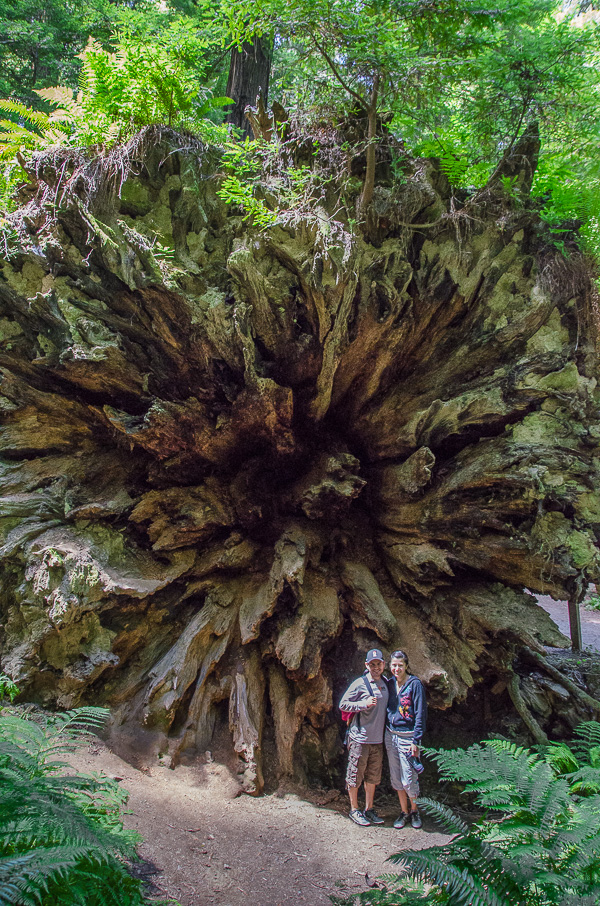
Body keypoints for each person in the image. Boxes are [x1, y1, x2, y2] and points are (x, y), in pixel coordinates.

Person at [339, 648, 389, 826]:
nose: (376, 667)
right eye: (372, 664)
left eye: (379, 664)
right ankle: (354, 809)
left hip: (377, 739)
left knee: (373, 776)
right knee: (355, 774)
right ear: (366, 665)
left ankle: (369, 809)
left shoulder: (386, 683)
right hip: (360, 738)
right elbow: (343, 704)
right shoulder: (360, 683)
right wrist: (363, 704)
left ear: (383, 665)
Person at [385, 649, 427, 829]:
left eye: (400, 665)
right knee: (396, 778)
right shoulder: (389, 683)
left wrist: (416, 741)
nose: (396, 668)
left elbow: (420, 714)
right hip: (391, 735)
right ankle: (404, 811)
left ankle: (415, 810)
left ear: (406, 666)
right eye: (393, 665)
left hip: (408, 737)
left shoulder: (415, 684)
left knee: (409, 778)